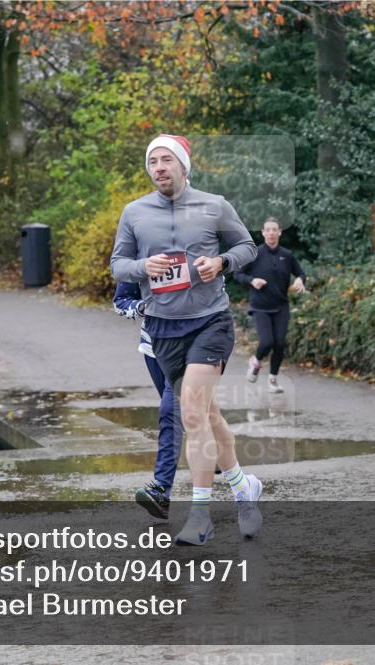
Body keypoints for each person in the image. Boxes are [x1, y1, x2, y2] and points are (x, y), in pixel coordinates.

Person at [110, 134, 260, 546]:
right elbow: (118, 267)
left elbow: (248, 247)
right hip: (162, 328)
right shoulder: (135, 212)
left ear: (183, 166)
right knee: (208, 416)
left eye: (165, 160)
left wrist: (222, 262)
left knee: (191, 411)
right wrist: (144, 266)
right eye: (152, 162)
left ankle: (200, 516)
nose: (158, 167)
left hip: (209, 322)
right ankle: (243, 487)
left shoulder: (213, 205)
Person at [113, 281, 182, 520]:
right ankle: (218, 453)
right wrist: (143, 307)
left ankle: (161, 490)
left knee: (170, 411)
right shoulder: (139, 255)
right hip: (154, 347)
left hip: (189, 346)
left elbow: (216, 290)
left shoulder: (196, 247)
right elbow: (120, 302)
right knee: (188, 411)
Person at [234, 217, 306, 394]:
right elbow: (237, 274)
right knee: (267, 342)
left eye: (275, 229)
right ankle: (256, 362)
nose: (272, 233)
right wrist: (252, 280)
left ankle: (273, 379)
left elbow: (301, 273)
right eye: (268, 229)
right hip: (260, 306)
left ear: (280, 232)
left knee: (280, 343)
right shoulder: (255, 254)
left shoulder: (286, 255)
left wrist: (299, 281)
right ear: (263, 232)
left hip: (281, 306)